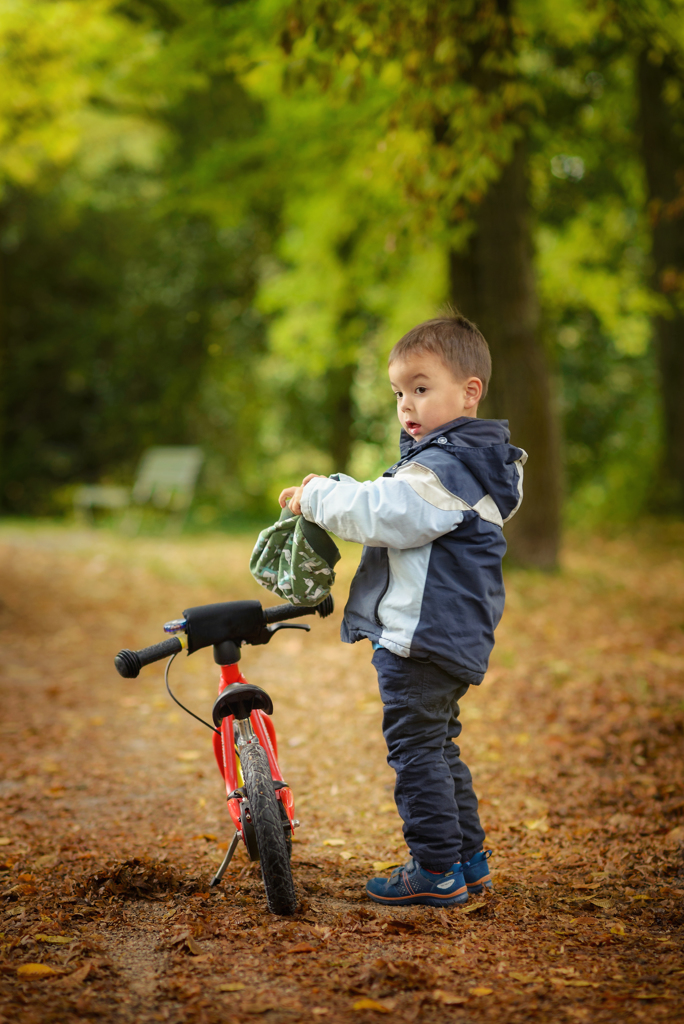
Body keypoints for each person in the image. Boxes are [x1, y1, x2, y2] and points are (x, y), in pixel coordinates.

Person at [278, 313, 527, 907]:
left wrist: (314, 496)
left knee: (416, 751)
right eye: (398, 392)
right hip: (447, 637)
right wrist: (339, 485)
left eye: (421, 387)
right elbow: (389, 500)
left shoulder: (447, 469)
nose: (406, 405)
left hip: (420, 639)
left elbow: (380, 513)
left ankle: (435, 869)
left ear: (470, 393)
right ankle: (468, 860)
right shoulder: (462, 466)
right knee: (439, 746)